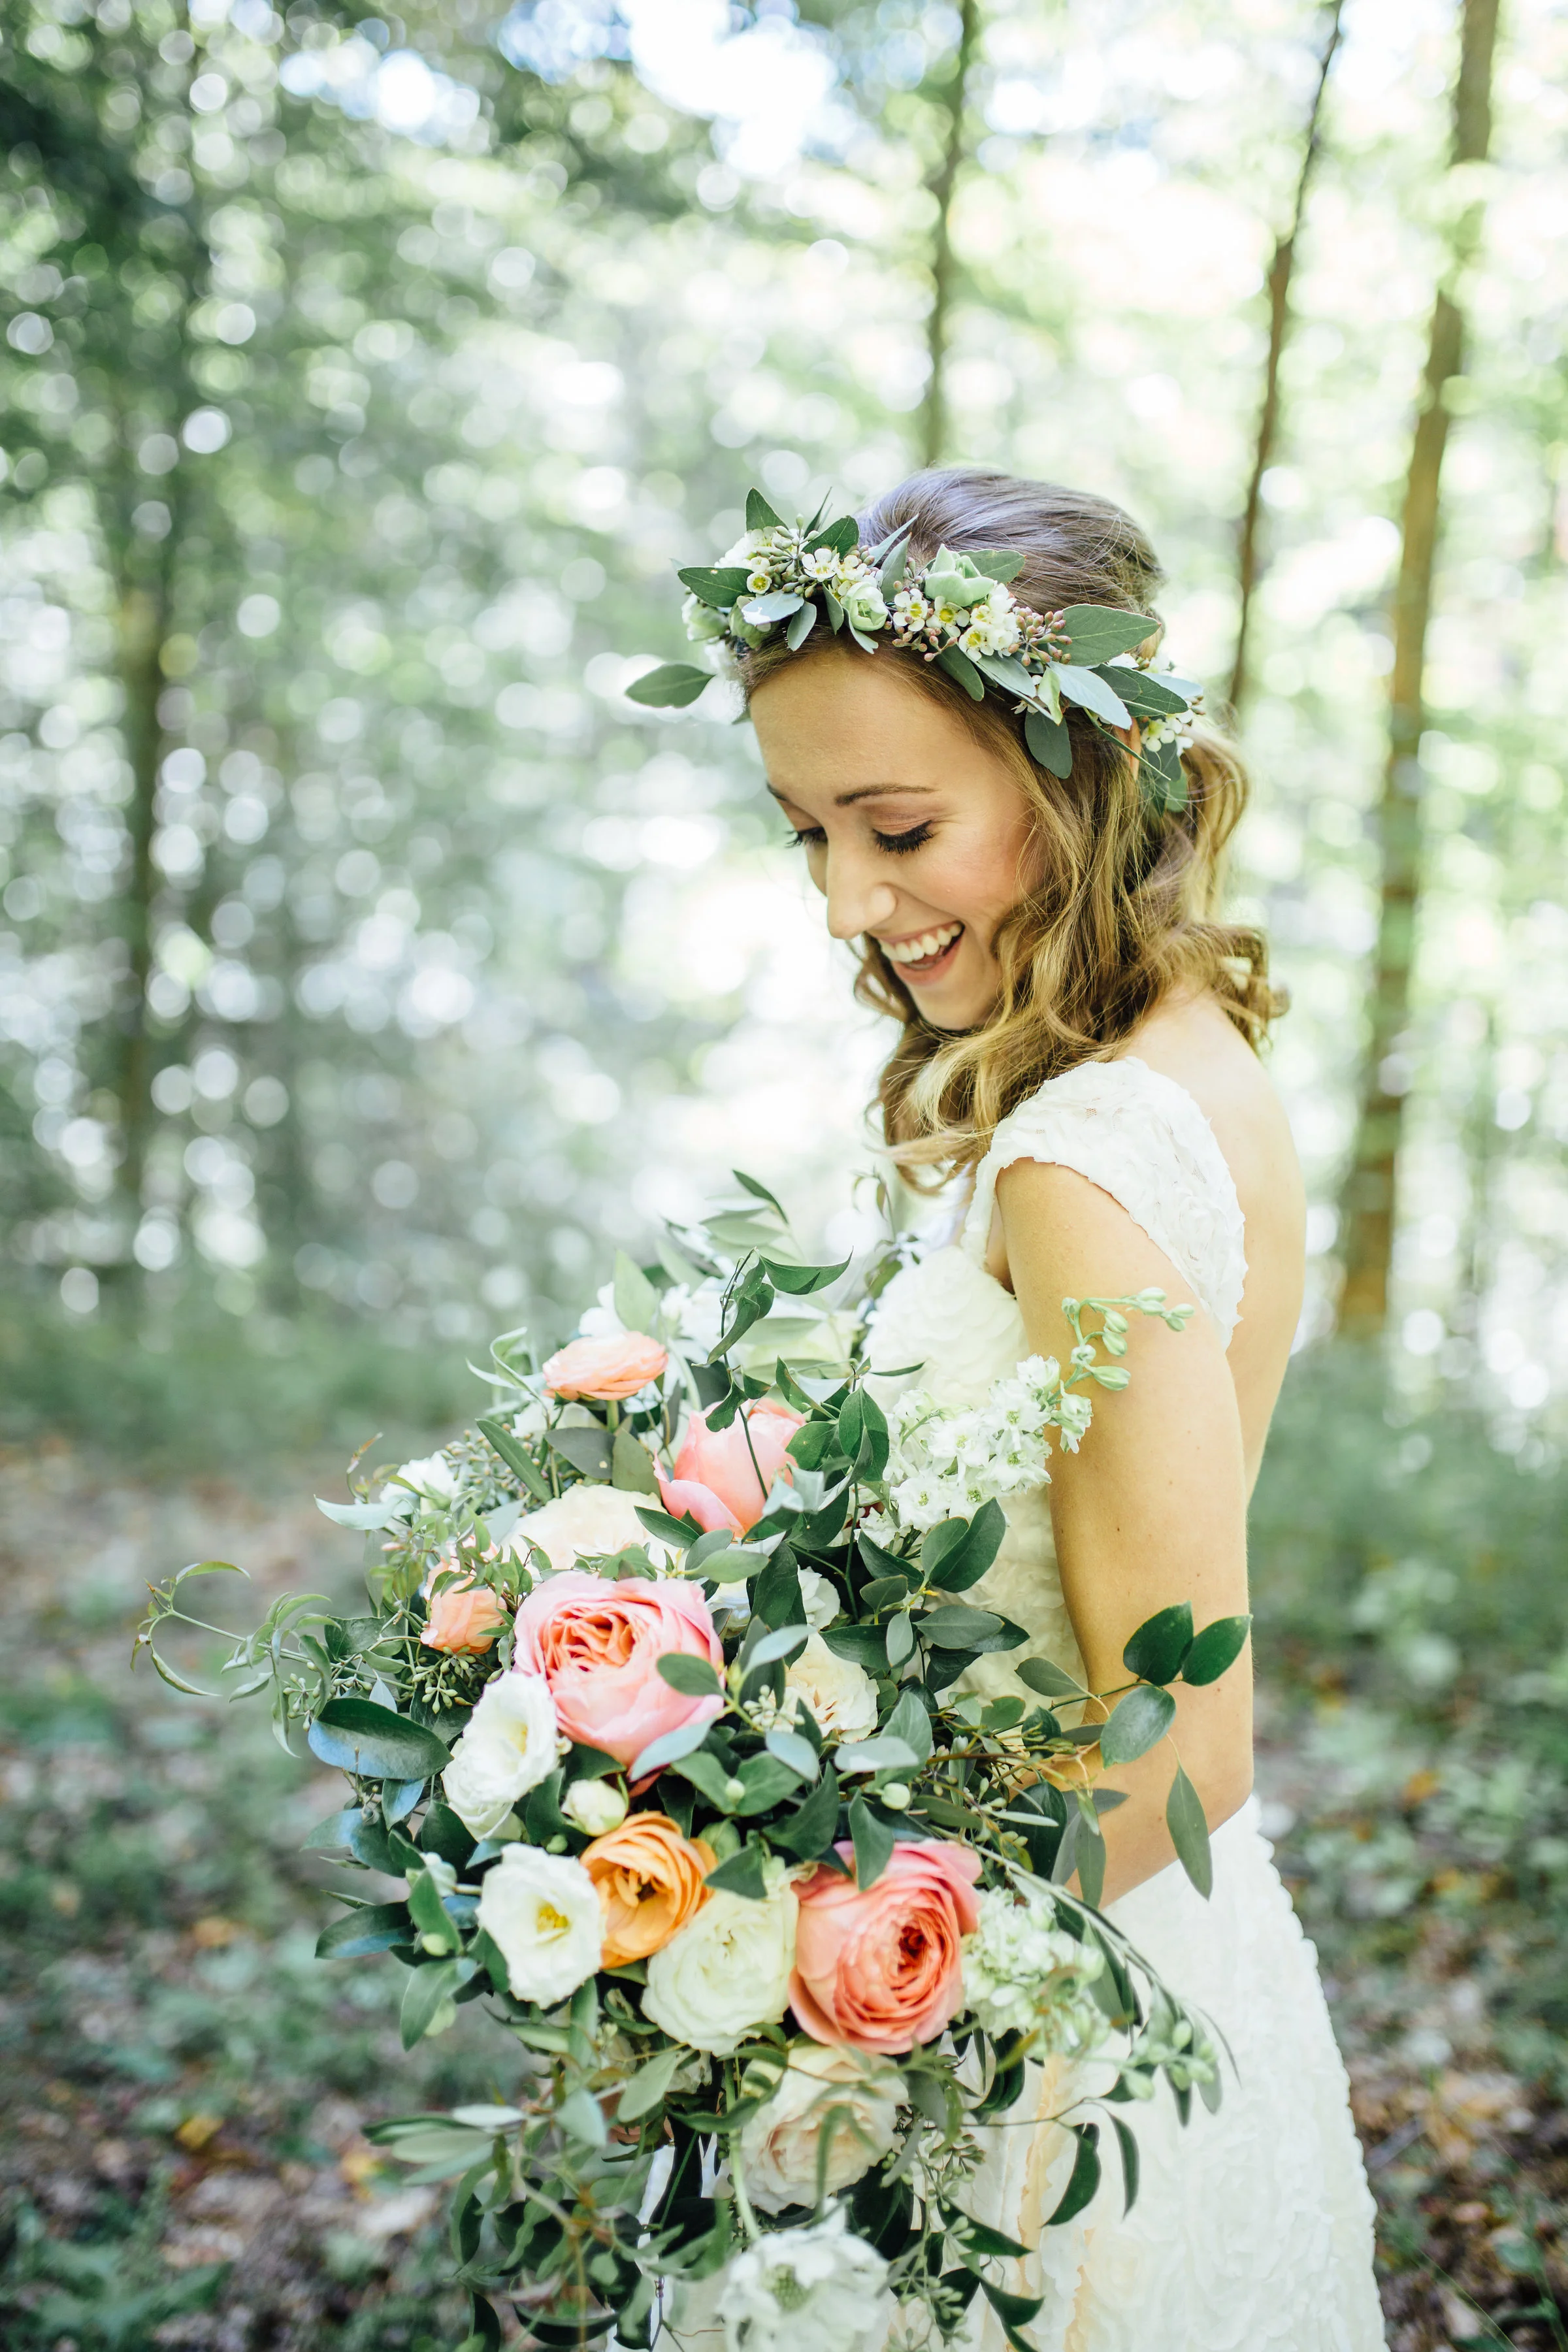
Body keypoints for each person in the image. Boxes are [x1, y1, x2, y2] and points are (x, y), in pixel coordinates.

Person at [736, 468, 1386, 2349]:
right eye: (808, 835)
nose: (853, 898)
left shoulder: (1079, 1161)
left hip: (1041, 2031)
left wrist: (840, 1986)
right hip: (1171, 1960)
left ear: (1076, 780)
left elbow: (1184, 1741)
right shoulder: (1198, 1058)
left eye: (899, 825)